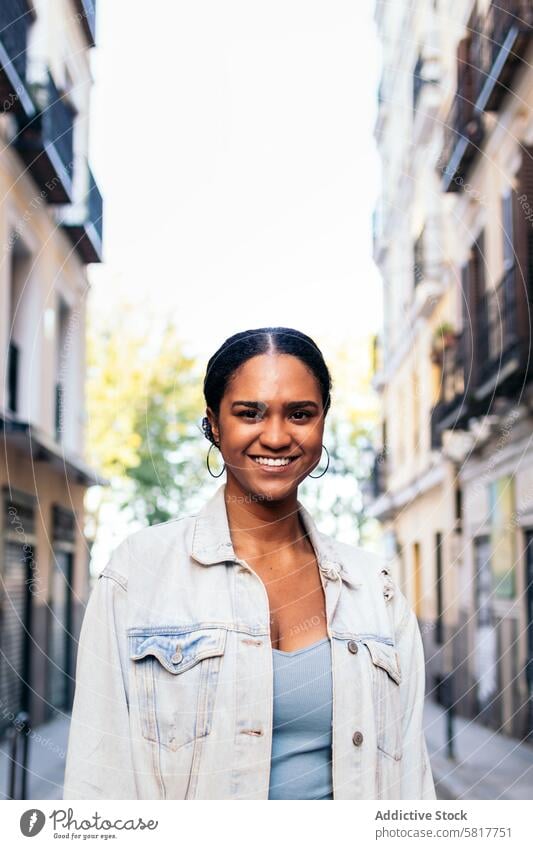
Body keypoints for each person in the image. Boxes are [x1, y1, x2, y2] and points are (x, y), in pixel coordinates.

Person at [63, 326, 436, 800]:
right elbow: (98, 778)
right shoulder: (138, 574)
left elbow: (411, 788)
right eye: (249, 413)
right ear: (215, 423)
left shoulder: (375, 591)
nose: (277, 436)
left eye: (300, 414)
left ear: (322, 422)